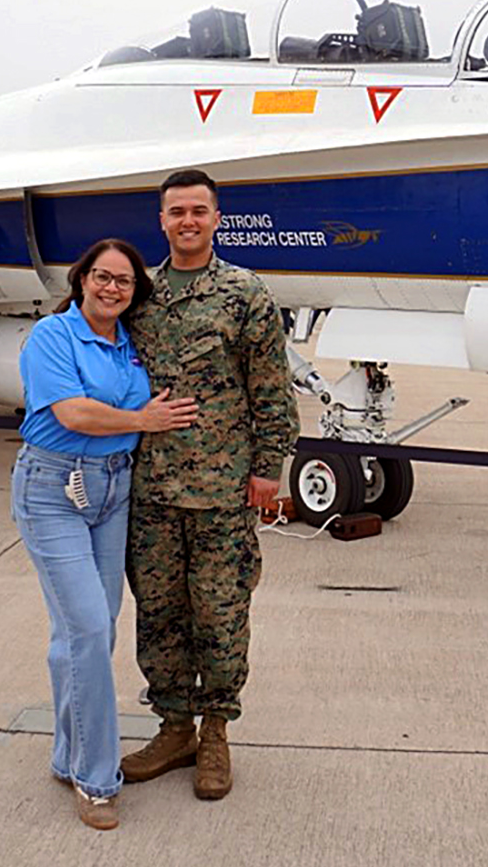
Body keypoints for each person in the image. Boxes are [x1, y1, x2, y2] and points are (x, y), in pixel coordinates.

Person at [121, 169, 299, 800]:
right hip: (152, 490)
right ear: (162, 220)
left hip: (224, 489)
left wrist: (268, 469)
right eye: (176, 212)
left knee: (221, 615)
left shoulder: (242, 293)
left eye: (199, 210)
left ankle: (216, 730)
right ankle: (173, 728)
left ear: (216, 218)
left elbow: (271, 388)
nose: (187, 221)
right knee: (160, 613)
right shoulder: (137, 294)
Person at [12, 237, 198, 830]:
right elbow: (72, 413)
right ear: (82, 279)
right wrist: (144, 420)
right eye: (102, 276)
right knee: (89, 627)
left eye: (124, 280)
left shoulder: (128, 346)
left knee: (86, 631)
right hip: (53, 491)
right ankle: (96, 780)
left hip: (114, 490)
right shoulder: (52, 337)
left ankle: (67, 756)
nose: (112, 287)